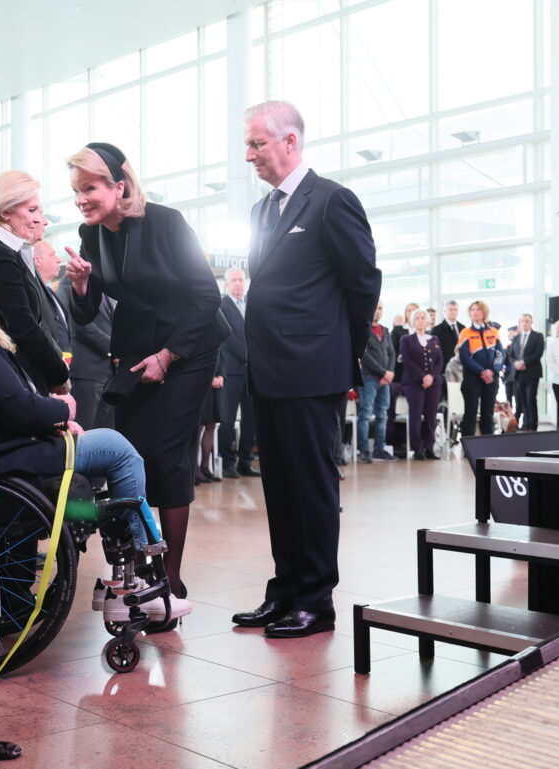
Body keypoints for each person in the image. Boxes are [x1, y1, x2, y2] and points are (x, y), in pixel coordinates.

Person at [0, 245, 191, 622]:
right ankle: (133, 582)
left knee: (107, 459)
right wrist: (63, 409)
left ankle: (126, 572)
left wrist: (53, 421)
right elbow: (17, 407)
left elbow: (2, 405)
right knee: (117, 450)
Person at [231, 101, 380, 639]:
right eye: (248, 145)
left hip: (314, 370)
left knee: (312, 486)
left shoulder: (332, 200)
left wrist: (342, 351)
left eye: (257, 144)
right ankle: (286, 590)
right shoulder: (261, 211)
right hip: (269, 370)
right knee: (279, 485)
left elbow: (363, 284)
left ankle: (316, 600)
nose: (249, 155)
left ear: (290, 141)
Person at [65, 142, 229, 609]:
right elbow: (87, 311)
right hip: (134, 353)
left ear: (119, 186)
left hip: (188, 348)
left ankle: (170, 579)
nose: (81, 200)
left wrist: (169, 355)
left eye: (90, 188)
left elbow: (207, 296)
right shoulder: (91, 233)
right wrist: (81, 285)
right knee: (131, 456)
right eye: (77, 191)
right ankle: (137, 567)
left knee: (169, 456)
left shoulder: (166, 222)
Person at [0, 171, 69, 396]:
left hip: (22, 370)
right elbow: (21, 325)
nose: (39, 219)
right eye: (32, 210)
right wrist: (58, 371)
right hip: (15, 374)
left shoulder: (10, 250)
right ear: (5, 211)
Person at [57, 272, 114, 431]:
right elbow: (79, 323)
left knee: (105, 430)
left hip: (107, 371)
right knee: (85, 429)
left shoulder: (103, 283)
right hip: (87, 370)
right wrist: (113, 348)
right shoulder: (73, 280)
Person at [217, 268, 259, 478]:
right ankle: (227, 463)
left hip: (252, 372)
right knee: (227, 419)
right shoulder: (221, 305)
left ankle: (245, 461)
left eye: (241, 280)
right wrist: (250, 354)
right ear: (226, 283)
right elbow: (227, 337)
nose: (238, 284)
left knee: (251, 419)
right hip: (231, 371)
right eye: (233, 280)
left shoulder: (252, 305)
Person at [399, 310, 444, 460]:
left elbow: (440, 361)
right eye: (417, 318)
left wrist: (431, 376)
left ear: (428, 321)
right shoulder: (406, 339)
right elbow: (407, 361)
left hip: (434, 383)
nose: (420, 320)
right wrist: (423, 376)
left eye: (423, 318)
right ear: (413, 321)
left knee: (431, 416)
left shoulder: (434, 339)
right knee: (416, 415)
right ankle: (417, 448)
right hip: (413, 383)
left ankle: (429, 447)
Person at [356, 300, 397, 463]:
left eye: (380, 308)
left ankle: (379, 450)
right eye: (375, 307)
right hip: (368, 378)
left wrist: (390, 372)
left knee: (382, 415)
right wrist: (383, 373)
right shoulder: (362, 331)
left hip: (384, 381)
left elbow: (391, 353)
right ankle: (364, 451)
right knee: (365, 414)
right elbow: (364, 356)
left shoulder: (385, 330)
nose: (377, 311)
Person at [457, 300, 505, 437]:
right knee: (470, 413)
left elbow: (500, 354)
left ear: (484, 312)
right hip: (472, 378)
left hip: (491, 379)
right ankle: (468, 445)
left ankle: (487, 444)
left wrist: (492, 371)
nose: (475, 312)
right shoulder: (465, 333)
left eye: (478, 309)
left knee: (488, 413)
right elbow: (465, 358)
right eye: (472, 310)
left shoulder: (493, 332)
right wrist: (482, 372)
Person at [510, 313, 544, 431]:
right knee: (522, 400)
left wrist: (524, 362)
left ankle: (533, 425)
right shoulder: (516, 338)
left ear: (531, 322)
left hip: (532, 372)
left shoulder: (538, 336)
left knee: (531, 399)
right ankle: (526, 425)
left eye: (527, 321)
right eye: (522, 321)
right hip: (519, 373)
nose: (524, 323)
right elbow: (510, 355)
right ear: (519, 323)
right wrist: (516, 363)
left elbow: (538, 353)